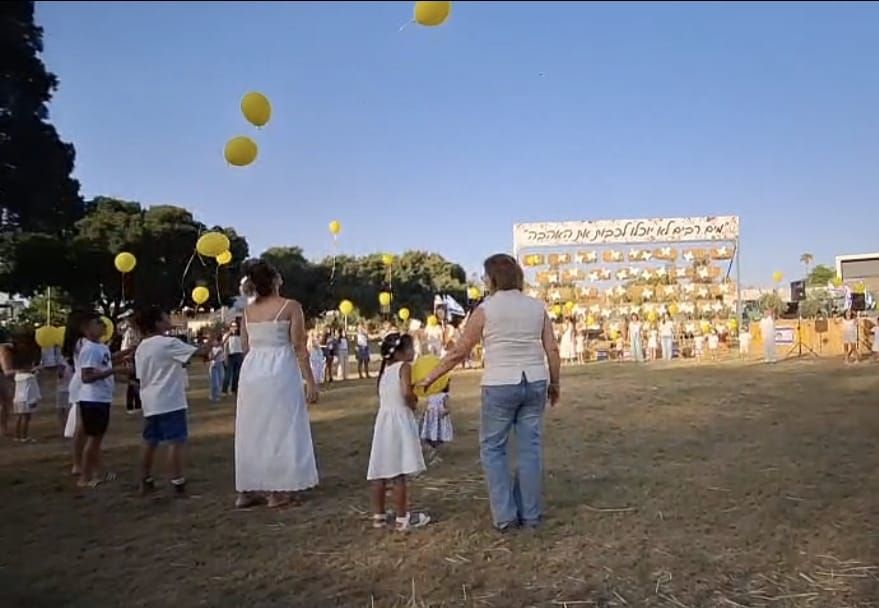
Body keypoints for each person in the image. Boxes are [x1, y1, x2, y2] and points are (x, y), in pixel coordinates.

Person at [418, 253, 561, 531]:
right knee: (530, 448)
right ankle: (530, 515)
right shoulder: (536, 307)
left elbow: (460, 350)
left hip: (500, 382)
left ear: (493, 278)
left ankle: (506, 516)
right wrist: (555, 384)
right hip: (534, 380)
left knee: (493, 449)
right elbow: (552, 350)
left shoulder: (486, 309)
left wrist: (431, 377)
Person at [235, 261, 319, 509]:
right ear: (274, 281)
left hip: (252, 370)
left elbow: (244, 346)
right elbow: (300, 347)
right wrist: (310, 382)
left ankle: (248, 488)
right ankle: (279, 491)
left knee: (253, 428)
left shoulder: (248, 312)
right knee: (282, 426)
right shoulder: (291, 307)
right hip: (280, 368)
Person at [134, 307, 208, 497]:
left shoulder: (142, 346)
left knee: (149, 441)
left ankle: (145, 480)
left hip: (150, 401)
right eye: (166, 316)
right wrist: (215, 332)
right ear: (158, 322)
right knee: (175, 442)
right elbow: (201, 352)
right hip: (170, 400)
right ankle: (178, 482)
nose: (169, 318)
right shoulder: (168, 343)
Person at [367, 332, 430, 531]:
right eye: (411, 348)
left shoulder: (384, 371)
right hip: (399, 421)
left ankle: (379, 516)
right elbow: (404, 393)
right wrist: (413, 400)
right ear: (401, 352)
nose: (414, 352)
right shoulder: (404, 367)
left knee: (380, 470)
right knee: (399, 472)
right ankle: (403, 518)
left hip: (384, 421)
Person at [78, 313, 130, 488]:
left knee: (97, 439)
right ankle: (84, 477)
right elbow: (87, 377)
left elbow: (108, 360)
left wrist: (130, 351)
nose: (103, 325)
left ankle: (99, 472)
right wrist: (113, 371)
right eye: (97, 323)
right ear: (87, 329)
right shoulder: (89, 349)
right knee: (93, 440)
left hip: (102, 399)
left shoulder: (100, 347)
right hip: (92, 400)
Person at [4, 329, 41, 443]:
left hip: (20, 388)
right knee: (26, 415)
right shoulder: (26, 357)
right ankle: (23, 436)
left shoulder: (15, 354)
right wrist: (32, 370)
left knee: (20, 415)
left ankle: (19, 435)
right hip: (26, 387)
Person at [421, 383, 453, 465]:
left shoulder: (443, 396)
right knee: (429, 436)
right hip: (431, 419)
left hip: (438, 419)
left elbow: (447, 408)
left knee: (437, 436)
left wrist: (443, 412)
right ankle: (434, 452)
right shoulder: (431, 395)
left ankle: (436, 454)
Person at [122, 321, 142, 414]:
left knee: (138, 381)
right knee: (132, 382)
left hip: (138, 358)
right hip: (131, 358)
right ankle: (130, 405)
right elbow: (126, 347)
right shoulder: (130, 332)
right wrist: (127, 359)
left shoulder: (139, 331)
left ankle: (138, 403)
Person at [222, 321, 244, 394]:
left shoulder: (240, 336)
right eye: (232, 326)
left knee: (237, 374)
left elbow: (243, 345)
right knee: (228, 374)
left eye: (235, 326)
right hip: (230, 355)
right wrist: (225, 357)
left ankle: (234, 389)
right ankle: (224, 390)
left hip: (239, 355)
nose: (234, 328)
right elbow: (224, 346)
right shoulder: (227, 336)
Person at [56, 357, 73, 437]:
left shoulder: (63, 363)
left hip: (63, 390)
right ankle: (65, 430)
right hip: (68, 389)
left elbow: (60, 375)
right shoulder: (73, 362)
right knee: (65, 411)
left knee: (63, 412)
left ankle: (65, 430)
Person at [207, 336, 226, 403]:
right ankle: (214, 395)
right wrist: (217, 354)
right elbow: (211, 358)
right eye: (214, 341)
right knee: (215, 382)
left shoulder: (221, 348)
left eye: (216, 341)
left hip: (220, 365)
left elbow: (223, 357)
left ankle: (216, 394)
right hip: (214, 366)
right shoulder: (212, 350)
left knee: (221, 379)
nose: (215, 342)